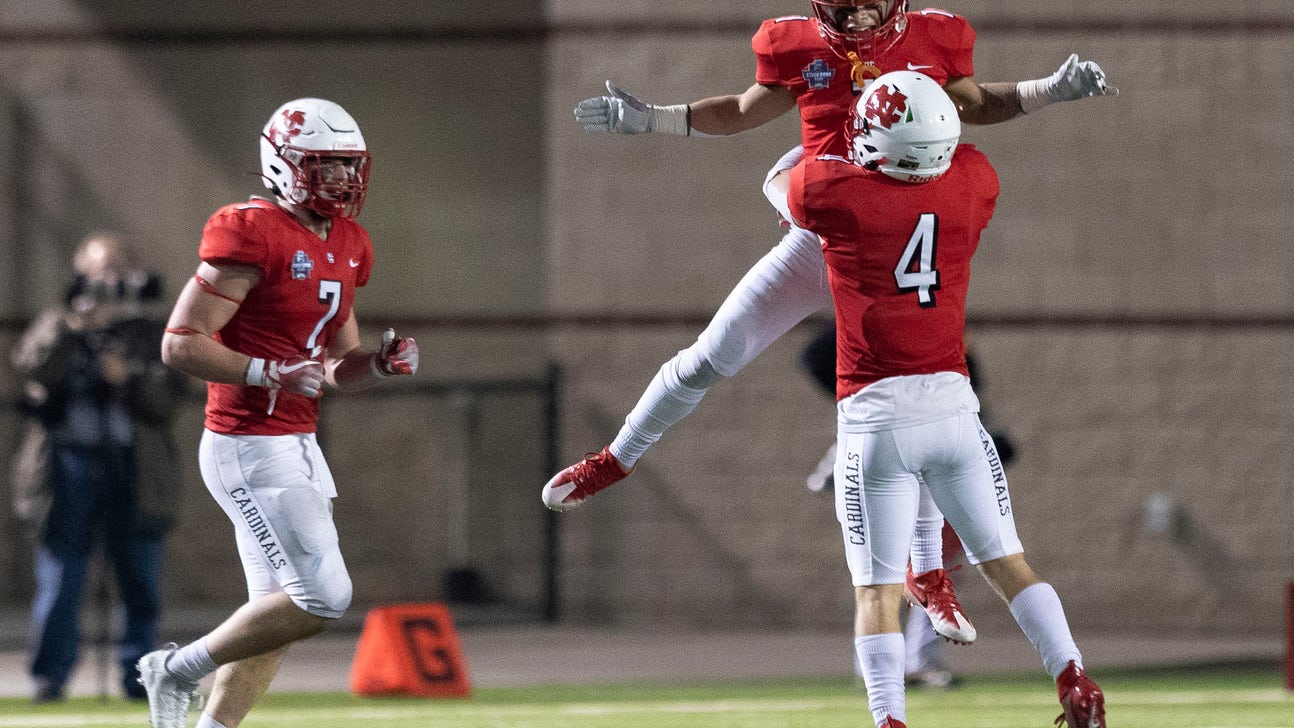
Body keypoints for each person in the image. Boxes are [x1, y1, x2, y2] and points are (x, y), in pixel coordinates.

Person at [545, 0, 1113, 646]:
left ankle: (927, 572)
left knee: (923, 405)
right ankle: (617, 458)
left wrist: (1048, 91)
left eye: (870, 3)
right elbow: (739, 110)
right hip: (824, 232)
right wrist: (656, 120)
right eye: (845, 4)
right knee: (711, 355)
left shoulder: (936, 33)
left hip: (896, 235)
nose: (860, 17)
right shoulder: (793, 43)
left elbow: (975, 103)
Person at [785, 69, 1105, 728]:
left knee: (876, 591)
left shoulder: (833, 192)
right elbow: (963, 133)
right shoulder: (974, 184)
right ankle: (1074, 679)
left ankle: (889, 720)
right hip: (955, 412)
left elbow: (794, 179)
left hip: (876, 418)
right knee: (1007, 563)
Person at [135, 98, 419, 728]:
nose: (342, 181)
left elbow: (339, 365)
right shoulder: (249, 231)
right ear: (284, 163)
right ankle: (174, 670)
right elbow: (179, 343)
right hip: (246, 441)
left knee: (274, 616)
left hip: (297, 439)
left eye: (349, 167)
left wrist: (379, 363)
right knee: (322, 596)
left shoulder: (348, 242)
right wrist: (267, 371)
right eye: (324, 166)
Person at [9, 232, 187, 702]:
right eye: (97, 268)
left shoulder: (152, 332)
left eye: (116, 268)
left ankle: (139, 676)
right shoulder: (59, 323)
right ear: (80, 273)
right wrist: (73, 327)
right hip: (67, 470)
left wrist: (127, 376)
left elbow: (169, 399)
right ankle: (51, 678)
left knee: (140, 580)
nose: (107, 278)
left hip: (135, 469)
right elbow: (31, 368)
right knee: (61, 579)